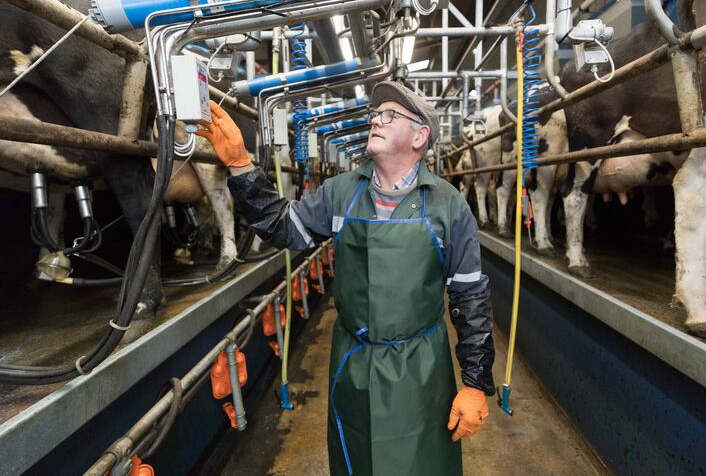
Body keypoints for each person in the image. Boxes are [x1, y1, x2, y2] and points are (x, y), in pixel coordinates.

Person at [198, 81, 495, 476]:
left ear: (420, 136)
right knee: (356, 457)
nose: (376, 119)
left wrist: (475, 384)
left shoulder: (447, 205)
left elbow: (470, 295)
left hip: (420, 367)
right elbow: (282, 227)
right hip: (353, 363)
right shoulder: (341, 193)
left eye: (390, 114)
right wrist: (240, 165)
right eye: (376, 113)